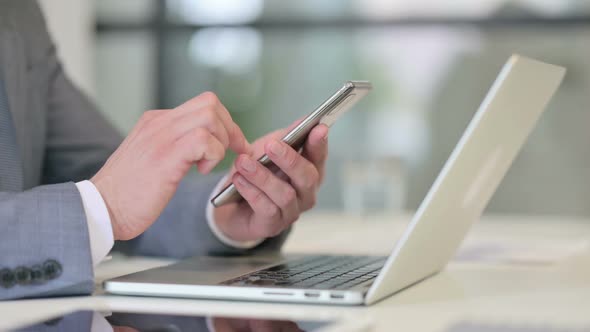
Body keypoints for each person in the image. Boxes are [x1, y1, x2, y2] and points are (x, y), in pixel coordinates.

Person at [0, 1, 328, 300]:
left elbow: (113, 182)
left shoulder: (17, 13)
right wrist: (104, 207)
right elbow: (106, 201)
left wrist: (227, 208)